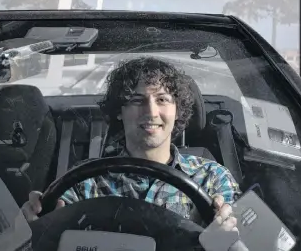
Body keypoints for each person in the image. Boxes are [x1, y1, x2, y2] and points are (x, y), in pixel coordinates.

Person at [22, 57, 241, 231]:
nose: (151, 112)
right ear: (119, 110)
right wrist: (34, 222)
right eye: (137, 100)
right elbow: (47, 239)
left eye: (162, 99)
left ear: (178, 111)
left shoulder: (212, 178)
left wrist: (225, 234)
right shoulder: (85, 180)